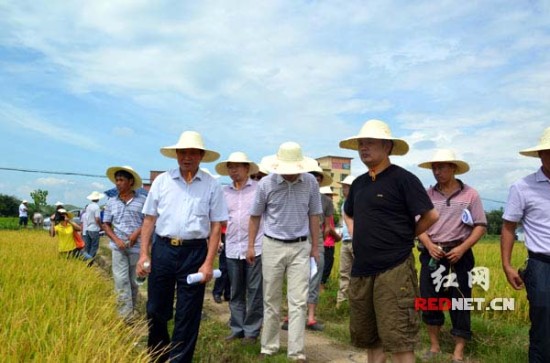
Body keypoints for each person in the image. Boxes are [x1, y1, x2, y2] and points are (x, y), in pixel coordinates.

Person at [339, 119, 439, 363]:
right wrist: (356, 232)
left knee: (399, 338)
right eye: (361, 144)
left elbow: (431, 215)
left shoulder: (403, 179)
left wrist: (407, 234)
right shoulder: (360, 183)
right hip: (362, 270)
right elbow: (348, 211)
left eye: (370, 143)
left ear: (387, 147)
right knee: (370, 338)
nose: (364, 148)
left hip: (394, 268)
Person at [137, 131, 228, 363]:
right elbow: (149, 219)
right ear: (176, 155)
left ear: (201, 156)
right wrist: (144, 254)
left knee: (188, 314)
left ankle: (180, 360)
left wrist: (208, 263)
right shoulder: (162, 181)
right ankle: (158, 354)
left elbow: (216, 226)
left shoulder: (211, 185)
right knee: (156, 309)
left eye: (193, 153)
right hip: (164, 250)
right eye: (183, 152)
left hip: (194, 253)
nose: (187, 157)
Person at [247, 141, 321, 362]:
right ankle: (268, 347)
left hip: (300, 246)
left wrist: (315, 247)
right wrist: (251, 245)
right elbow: (255, 216)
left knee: (298, 301)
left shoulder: (310, 182)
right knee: (271, 298)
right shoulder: (266, 184)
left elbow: (314, 215)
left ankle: (296, 352)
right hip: (272, 245)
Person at [417, 149, 487, 362]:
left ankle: (458, 351)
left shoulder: (470, 194)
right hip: (432, 253)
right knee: (430, 299)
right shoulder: (426, 195)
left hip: (460, 254)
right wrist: (428, 244)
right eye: (434, 167)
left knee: (460, 300)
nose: (437, 171)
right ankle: (435, 346)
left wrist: (462, 248)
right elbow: (418, 225)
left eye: (442, 167)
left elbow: (480, 225)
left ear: (454, 168)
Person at [501, 126, 550, 363]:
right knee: (543, 323)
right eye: (548, 152)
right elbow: (509, 227)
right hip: (541, 265)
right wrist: (507, 265)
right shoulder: (523, 187)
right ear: (540, 155)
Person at [215, 151, 264, 344]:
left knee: (254, 290)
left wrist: (253, 245)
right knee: (235, 290)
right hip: (232, 246)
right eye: (230, 167)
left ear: (247, 168)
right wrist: (219, 239)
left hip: (256, 247)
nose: (233, 170)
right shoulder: (224, 192)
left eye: (237, 166)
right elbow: (218, 219)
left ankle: (251, 331)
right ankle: (237, 328)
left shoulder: (259, 189)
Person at [102, 166, 146, 322]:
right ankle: (125, 317)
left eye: (121, 180)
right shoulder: (111, 202)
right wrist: (116, 240)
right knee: (121, 281)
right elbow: (106, 224)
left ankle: (131, 309)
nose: (118, 183)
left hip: (136, 248)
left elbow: (149, 221)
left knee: (133, 282)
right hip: (118, 247)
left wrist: (137, 233)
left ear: (131, 181)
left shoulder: (142, 201)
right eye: (117, 180)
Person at [336, 174, 355, 308]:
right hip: (346, 241)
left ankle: (356, 303)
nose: (343, 190)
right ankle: (341, 302)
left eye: (346, 187)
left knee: (357, 273)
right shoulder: (344, 204)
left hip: (356, 241)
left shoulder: (359, 203)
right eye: (343, 187)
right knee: (344, 272)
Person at [320, 186, 342, 288]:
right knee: (326, 268)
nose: (331, 198)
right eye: (329, 195)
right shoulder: (326, 211)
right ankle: (321, 289)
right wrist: (338, 237)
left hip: (323, 243)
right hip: (327, 244)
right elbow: (329, 228)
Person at [212, 222, 231, 304]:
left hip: (236, 236)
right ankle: (217, 292)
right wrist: (219, 240)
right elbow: (218, 222)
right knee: (223, 267)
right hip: (225, 236)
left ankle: (228, 293)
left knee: (232, 267)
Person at [83, 191, 105, 258]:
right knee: (94, 246)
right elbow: (97, 219)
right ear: (98, 199)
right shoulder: (96, 207)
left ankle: (86, 259)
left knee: (88, 246)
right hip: (94, 229)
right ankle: (89, 260)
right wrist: (101, 226)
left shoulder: (88, 206)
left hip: (88, 228)